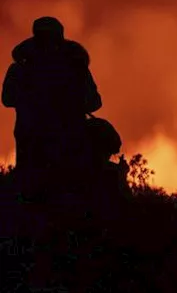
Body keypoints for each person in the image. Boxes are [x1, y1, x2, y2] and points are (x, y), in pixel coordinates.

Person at [2, 16, 103, 202]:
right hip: (67, 140)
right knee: (64, 195)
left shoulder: (20, 68)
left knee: (31, 195)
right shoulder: (75, 67)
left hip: (30, 139)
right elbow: (95, 102)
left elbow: (7, 99)